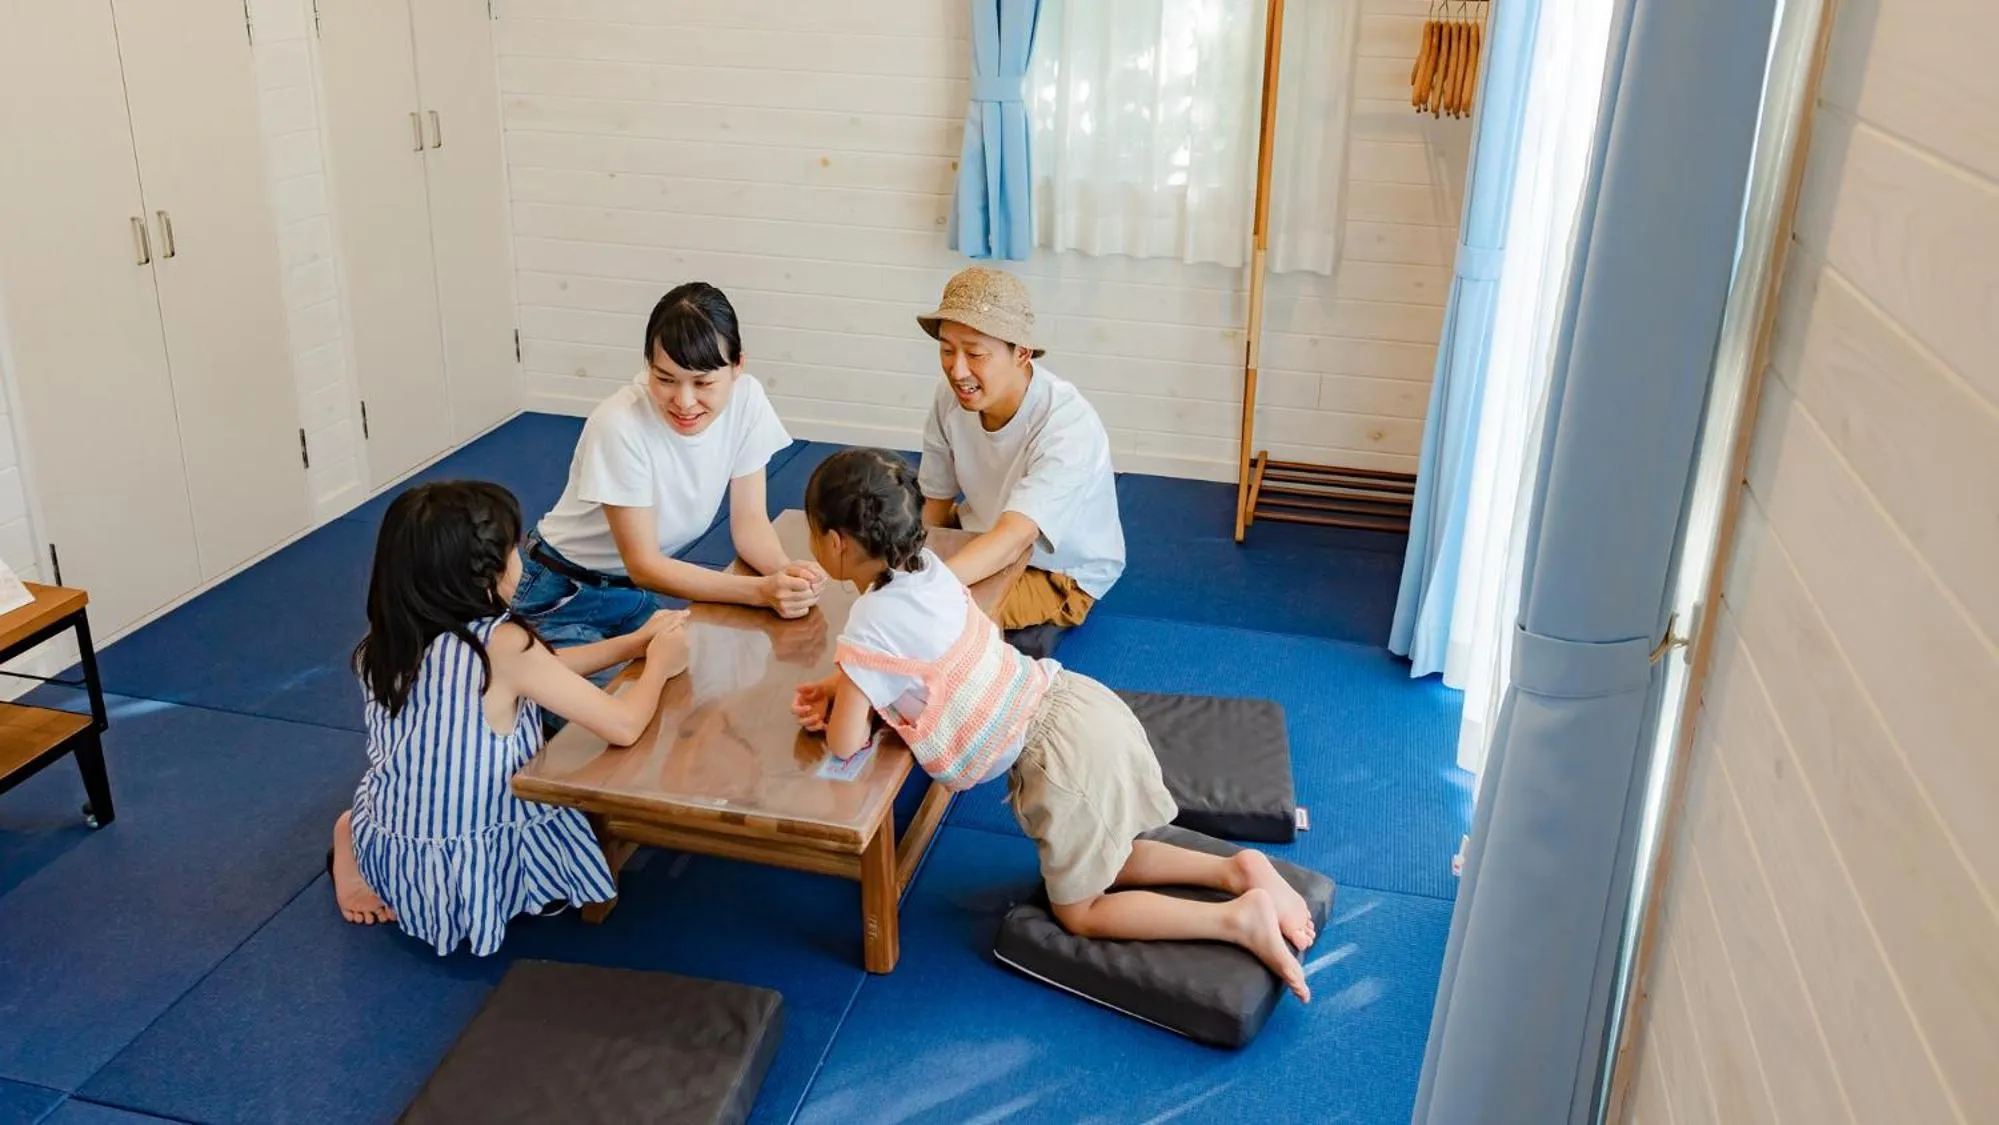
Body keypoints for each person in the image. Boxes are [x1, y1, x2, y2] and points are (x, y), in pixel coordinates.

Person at [789, 450, 1314, 1001]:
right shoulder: (930, 569)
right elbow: (919, 659)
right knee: (1116, 853)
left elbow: (846, 742)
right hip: (1077, 704)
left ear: (835, 543)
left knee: (1081, 912)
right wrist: (852, 681)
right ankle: (1237, 870)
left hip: (1056, 764)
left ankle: (1236, 919)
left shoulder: (868, 622)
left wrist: (848, 685)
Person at [331, 481, 690, 956]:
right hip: (463, 846)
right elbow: (623, 726)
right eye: (515, 549)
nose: (522, 560)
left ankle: (356, 831)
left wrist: (632, 644)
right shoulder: (503, 645)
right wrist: (662, 664)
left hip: (397, 839)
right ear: (489, 573)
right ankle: (347, 832)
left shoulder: (389, 636)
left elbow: (542, 672)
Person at [512, 282, 826, 658]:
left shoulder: (748, 399)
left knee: (678, 683)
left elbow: (750, 521)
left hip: (629, 593)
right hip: (559, 592)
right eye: (665, 379)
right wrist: (760, 592)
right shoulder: (618, 424)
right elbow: (643, 563)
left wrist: (787, 576)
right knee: (615, 709)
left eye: (703, 382)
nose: (685, 401)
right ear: (648, 364)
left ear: (737, 365)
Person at [914, 266, 1125, 634]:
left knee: (940, 622)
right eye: (947, 350)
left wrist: (923, 589)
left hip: (1057, 569)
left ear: (1022, 354)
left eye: (975, 354)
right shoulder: (948, 398)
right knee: (886, 589)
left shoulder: (1067, 425)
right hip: (983, 533)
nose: (957, 369)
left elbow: (1016, 536)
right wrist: (908, 567)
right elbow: (935, 502)